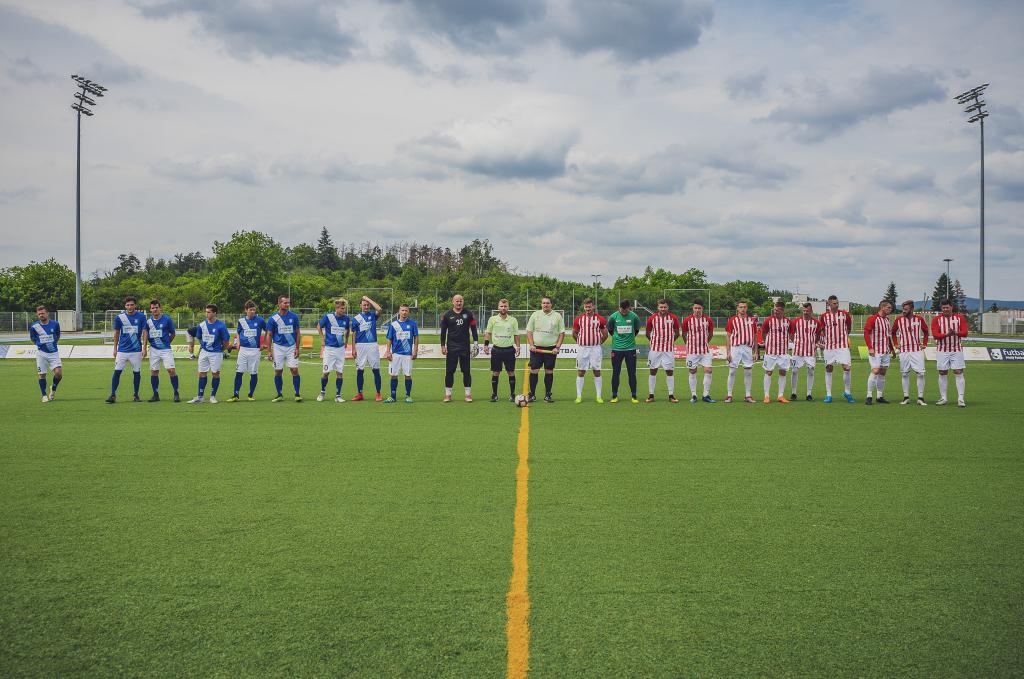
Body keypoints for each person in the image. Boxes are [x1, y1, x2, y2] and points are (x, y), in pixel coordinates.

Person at [187, 303, 230, 404]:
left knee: (215, 373)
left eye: (209, 312)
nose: (207, 314)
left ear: (215, 313)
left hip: (216, 353)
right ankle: (200, 397)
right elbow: (199, 338)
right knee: (202, 373)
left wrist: (221, 350)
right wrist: (204, 347)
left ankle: (212, 397)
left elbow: (226, 341)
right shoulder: (202, 325)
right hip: (204, 352)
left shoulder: (221, 326)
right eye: (206, 312)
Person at [106, 296, 147, 403]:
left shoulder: (141, 317)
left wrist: (144, 347)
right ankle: (113, 395)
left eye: (132, 304)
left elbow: (144, 332)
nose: (130, 307)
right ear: (125, 306)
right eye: (128, 305)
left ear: (135, 305)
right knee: (117, 372)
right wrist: (115, 348)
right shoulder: (120, 317)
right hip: (122, 351)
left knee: (136, 372)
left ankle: (136, 395)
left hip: (136, 350)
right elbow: (116, 333)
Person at [440, 294, 479, 402]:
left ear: (463, 302)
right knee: (449, 371)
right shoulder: (447, 315)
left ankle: (468, 394)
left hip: (465, 346)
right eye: (457, 301)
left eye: (460, 301)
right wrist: (442, 345)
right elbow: (443, 331)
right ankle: (448, 395)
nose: (459, 303)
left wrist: (476, 343)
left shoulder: (469, 314)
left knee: (466, 371)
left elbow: (474, 329)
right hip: (451, 347)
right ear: (453, 302)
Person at [526, 297, 565, 403]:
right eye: (543, 303)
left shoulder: (557, 316)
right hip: (536, 349)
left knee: (549, 371)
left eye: (547, 303)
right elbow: (529, 331)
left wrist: (557, 347)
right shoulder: (535, 315)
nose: (545, 305)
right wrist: (531, 345)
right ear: (541, 304)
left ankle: (548, 395)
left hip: (551, 349)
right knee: (534, 371)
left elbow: (562, 333)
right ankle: (532, 395)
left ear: (551, 304)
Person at [931, 298, 968, 407]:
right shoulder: (936, 319)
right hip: (942, 350)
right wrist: (947, 334)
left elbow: (965, 333)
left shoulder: (960, 318)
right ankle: (943, 398)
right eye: (943, 308)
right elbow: (935, 335)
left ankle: (961, 399)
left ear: (952, 307)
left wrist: (955, 332)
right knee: (942, 372)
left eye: (947, 307)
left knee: (958, 371)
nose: (945, 309)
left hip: (956, 349)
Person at [819, 295, 856, 404]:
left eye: (837, 303)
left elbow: (848, 329)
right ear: (829, 304)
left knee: (847, 367)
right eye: (834, 303)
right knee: (829, 368)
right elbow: (823, 330)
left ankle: (847, 392)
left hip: (842, 346)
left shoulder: (845, 315)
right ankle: (829, 395)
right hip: (829, 347)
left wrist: (842, 338)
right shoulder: (824, 316)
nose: (836, 305)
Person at [266, 295, 302, 402]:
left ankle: (297, 394)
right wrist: (269, 350)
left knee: (294, 370)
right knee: (278, 371)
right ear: (279, 303)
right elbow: (269, 335)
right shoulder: (273, 318)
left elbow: (298, 333)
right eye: (285, 302)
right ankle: (279, 394)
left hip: (291, 347)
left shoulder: (294, 317)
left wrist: (297, 348)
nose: (287, 304)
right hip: (278, 347)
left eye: (288, 303)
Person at [892, 300, 929, 406]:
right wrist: (896, 344)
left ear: (912, 309)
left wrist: (924, 343)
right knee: (904, 373)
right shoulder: (899, 320)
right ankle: (906, 397)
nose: (903, 311)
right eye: (903, 309)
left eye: (906, 309)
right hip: (904, 351)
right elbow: (893, 332)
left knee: (920, 373)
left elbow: (926, 331)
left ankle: (920, 398)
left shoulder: (919, 319)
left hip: (916, 350)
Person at [644, 299, 682, 403]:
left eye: (665, 307)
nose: (663, 309)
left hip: (668, 350)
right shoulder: (652, 318)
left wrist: (670, 341)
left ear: (667, 307)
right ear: (658, 307)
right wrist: (654, 341)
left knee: (669, 371)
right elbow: (647, 333)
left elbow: (677, 333)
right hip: (655, 349)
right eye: (661, 307)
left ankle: (671, 395)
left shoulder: (673, 318)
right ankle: (651, 395)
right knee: (653, 370)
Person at [483, 298, 520, 402]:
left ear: (508, 307)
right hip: (496, 350)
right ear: (498, 307)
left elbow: (516, 335)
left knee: (511, 372)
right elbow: (488, 333)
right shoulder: (492, 319)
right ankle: (494, 395)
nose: (503, 308)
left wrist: (518, 347)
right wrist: (486, 345)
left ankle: (512, 395)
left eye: (505, 306)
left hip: (509, 350)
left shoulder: (513, 320)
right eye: (501, 306)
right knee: (496, 372)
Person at [228, 300, 266, 402]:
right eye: (250, 310)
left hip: (255, 350)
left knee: (253, 373)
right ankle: (236, 395)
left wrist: (264, 343)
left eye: (254, 310)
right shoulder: (241, 321)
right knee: (239, 372)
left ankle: (250, 395)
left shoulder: (260, 320)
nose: (252, 311)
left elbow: (268, 331)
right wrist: (238, 342)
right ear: (246, 310)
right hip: (243, 350)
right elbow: (238, 332)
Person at [572, 297, 608, 403]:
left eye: (589, 307)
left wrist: (598, 343)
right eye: (586, 307)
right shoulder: (579, 319)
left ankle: (599, 396)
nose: (588, 309)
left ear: (594, 307)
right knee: (581, 371)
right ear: (584, 307)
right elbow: (574, 333)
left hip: (595, 349)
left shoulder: (600, 319)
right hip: (583, 349)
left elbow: (605, 334)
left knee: (597, 371)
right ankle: (579, 396)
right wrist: (580, 341)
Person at [144, 299, 179, 402]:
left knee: (171, 370)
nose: (155, 309)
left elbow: (173, 333)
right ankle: (155, 395)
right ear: (150, 309)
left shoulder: (167, 319)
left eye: (156, 307)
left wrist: (167, 343)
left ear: (160, 308)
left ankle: (176, 393)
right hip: (154, 350)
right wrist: (144, 347)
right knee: (154, 372)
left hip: (165, 350)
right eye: (153, 308)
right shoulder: (148, 322)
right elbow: (145, 333)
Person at [606, 299, 641, 403]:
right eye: (622, 310)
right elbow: (610, 329)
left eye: (626, 310)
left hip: (630, 349)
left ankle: (634, 396)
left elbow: (636, 330)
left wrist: (629, 339)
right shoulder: (613, 317)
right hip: (616, 349)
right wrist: (617, 338)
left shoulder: (634, 316)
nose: (624, 312)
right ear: (619, 308)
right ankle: (614, 396)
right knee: (616, 372)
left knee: (632, 373)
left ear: (629, 308)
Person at [317, 298, 351, 403]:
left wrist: (346, 341)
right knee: (326, 372)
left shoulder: (346, 319)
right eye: (342, 308)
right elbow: (318, 326)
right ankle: (322, 392)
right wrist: (322, 338)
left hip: (340, 349)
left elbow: (347, 330)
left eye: (344, 308)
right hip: (329, 349)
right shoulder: (328, 317)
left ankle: (338, 395)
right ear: (337, 308)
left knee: (339, 373)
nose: (343, 310)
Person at [384, 303, 419, 403]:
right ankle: (392, 396)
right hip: (396, 354)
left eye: (406, 310)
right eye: (402, 310)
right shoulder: (393, 325)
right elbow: (389, 339)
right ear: (399, 312)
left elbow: (416, 337)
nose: (404, 312)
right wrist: (388, 351)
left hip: (407, 354)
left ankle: (408, 396)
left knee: (408, 374)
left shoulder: (412, 324)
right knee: (393, 375)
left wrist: (415, 350)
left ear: (408, 312)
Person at [682, 299, 715, 403]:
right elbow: (684, 334)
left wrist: (704, 343)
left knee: (708, 370)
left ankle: (706, 395)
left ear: (702, 309)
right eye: (695, 308)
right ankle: (694, 395)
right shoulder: (687, 320)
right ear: (693, 308)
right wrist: (689, 344)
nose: (697, 310)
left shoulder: (708, 320)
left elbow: (710, 334)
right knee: (692, 371)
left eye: (699, 308)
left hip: (705, 351)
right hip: (692, 351)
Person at [350, 296, 383, 402]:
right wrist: (353, 349)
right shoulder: (356, 319)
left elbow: (379, 309)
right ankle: (360, 394)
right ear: (360, 306)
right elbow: (353, 334)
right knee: (360, 370)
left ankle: (378, 393)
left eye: (368, 305)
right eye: (364, 305)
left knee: (376, 370)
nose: (366, 306)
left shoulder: (373, 315)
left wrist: (368, 299)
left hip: (372, 345)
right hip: (360, 346)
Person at [725, 301, 757, 403]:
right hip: (736, 347)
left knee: (748, 371)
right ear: (737, 308)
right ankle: (729, 395)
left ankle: (748, 395)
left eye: (744, 307)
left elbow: (755, 336)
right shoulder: (732, 320)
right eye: (741, 307)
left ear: (747, 308)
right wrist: (728, 352)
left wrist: (755, 352)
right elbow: (728, 336)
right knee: (732, 371)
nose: (743, 309)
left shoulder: (751, 320)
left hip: (747, 347)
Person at [863, 300, 894, 405]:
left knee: (882, 373)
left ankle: (879, 396)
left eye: (891, 308)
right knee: (875, 371)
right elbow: (866, 333)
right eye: (888, 307)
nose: (890, 309)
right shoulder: (873, 318)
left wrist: (892, 349)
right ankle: (869, 396)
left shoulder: (887, 320)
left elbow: (888, 336)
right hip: (875, 351)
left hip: (885, 351)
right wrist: (870, 348)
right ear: (882, 307)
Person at [789, 303, 822, 402]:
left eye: (807, 311)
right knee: (794, 370)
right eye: (804, 310)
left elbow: (817, 335)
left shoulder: (816, 322)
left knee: (811, 371)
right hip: (797, 351)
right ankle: (793, 393)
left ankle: (809, 394)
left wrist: (813, 343)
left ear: (811, 311)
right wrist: (796, 343)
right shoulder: (796, 321)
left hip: (810, 351)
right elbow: (791, 335)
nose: (805, 312)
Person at [29, 305, 62, 403]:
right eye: (39, 314)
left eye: (43, 313)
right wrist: (39, 344)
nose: (41, 315)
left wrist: (52, 344)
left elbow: (58, 335)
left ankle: (53, 389)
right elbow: (32, 338)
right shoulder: (34, 326)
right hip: (41, 353)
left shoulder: (55, 324)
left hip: (53, 353)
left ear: (47, 313)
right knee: (42, 375)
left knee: (58, 373)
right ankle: (44, 395)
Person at [761, 301, 791, 404]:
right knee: (769, 372)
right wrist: (767, 343)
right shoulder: (768, 321)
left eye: (777, 310)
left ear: (782, 310)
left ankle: (780, 396)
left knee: (783, 372)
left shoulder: (787, 322)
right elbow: (764, 333)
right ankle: (766, 396)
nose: (775, 311)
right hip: (771, 352)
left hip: (783, 352)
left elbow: (791, 334)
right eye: (774, 309)